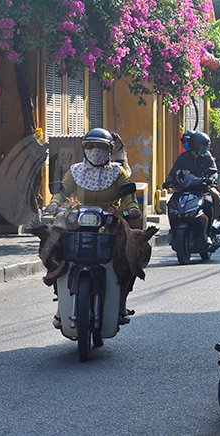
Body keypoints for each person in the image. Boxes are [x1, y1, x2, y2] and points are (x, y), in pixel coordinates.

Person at [43, 128, 142, 325]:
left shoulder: (118, 172)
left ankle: (121, 303)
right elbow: (61, 191)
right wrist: (54, 203)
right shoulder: (75, 171)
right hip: (77, 219)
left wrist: (132, 208)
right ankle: (59, 300)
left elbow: (128, 197)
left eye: (101, 147)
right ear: (84, 149)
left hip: (110, 222)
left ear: (109, 150)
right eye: (91, 146)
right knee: (55, 245)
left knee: (130, 254)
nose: (95, 150)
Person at [165, 131, 220, 234]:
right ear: (195, 145)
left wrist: (211, 179)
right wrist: (168, 182)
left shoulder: (207, 157)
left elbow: (214, 171)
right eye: (203, 146)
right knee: (171, 204)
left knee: (210, 201)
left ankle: (214, 226)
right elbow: (174, 171)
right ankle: (173, 230)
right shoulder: (183, 157)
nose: (205, 148)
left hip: (203, 188)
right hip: (185, 189)